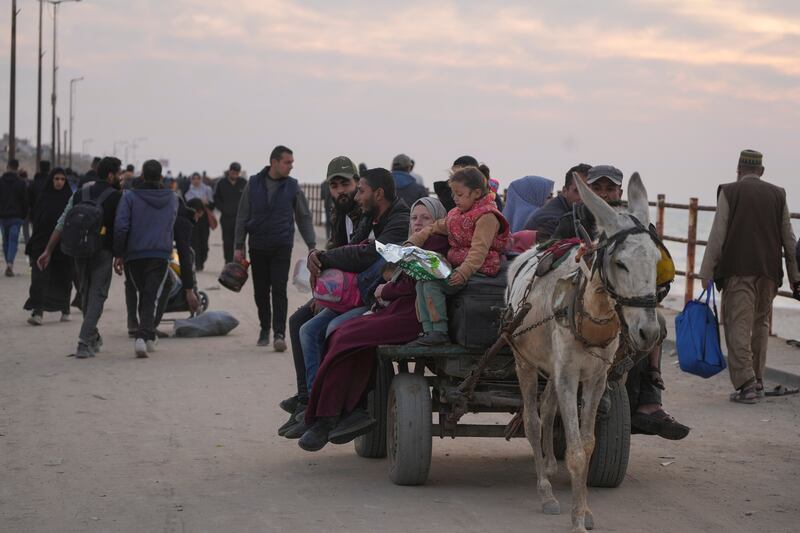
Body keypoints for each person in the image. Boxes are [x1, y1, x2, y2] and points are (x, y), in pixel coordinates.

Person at [551, 164, 690, 440]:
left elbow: (653, 267)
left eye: (610, 188)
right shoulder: (572, 220)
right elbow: (554, 257)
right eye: (597, 188)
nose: (604, 194)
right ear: (588, 191)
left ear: (620, 191)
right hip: (578, 305)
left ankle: (645, 398)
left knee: (656, 327)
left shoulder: (637, 226)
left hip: (626, 305)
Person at [298, 197, 449, 451]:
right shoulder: (415, 244)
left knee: (346, 336)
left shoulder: (435, 243)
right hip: (398, 309)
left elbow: (414, 283)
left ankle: (330, 416)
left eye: (425, 218)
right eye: (414, 218)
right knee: (343, 335)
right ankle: (339, 411)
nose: (418, 223)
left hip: (412, 314)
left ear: (437, 221)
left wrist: (385, 291)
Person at [282, 166, 411, 439]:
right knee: (304, 327)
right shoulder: (367, 215)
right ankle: (311, 404)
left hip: (375, 298)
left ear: (377, 193)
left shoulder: (399, 219)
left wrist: (325, 259)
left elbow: (364, 254)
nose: (354, 197)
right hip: (357, 294)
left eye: (358, 190)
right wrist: (321, 267)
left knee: (333, 331)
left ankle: (333, 410)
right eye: (335, 186)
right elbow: (350, 249)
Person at [699, 149, 800, 403]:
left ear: (738, 169)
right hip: (769, 273)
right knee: (760, 325)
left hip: (737, 271)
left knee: (738, 327)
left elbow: (717, 235)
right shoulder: (779, 194)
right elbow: (789, 239)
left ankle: (746, 385)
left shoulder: (729, 191)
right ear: (762, 171)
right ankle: (758, 379)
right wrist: (795, 277)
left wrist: (706, 271)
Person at [281, 156, 363, 436]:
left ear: (358, 183)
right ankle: (307, 398)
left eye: (346, 184)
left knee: (321, 329)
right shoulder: (341, 214)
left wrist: (325, 258)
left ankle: (320, 405)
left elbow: (358, 256)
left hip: (361, 294)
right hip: (343, 292)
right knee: (297, 322)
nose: (341, 190)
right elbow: (338, 254)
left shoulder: (362, 213)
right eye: (335, 185)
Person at [407, 166, 510, 346]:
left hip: (479, 269)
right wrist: (415, 240)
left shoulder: (487, 216)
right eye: (454, 194)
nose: (455, 199)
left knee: (431, 284)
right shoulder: (456, 214)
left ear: (476, 193)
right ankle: (427, 330)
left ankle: (439, 331)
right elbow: (433, 227)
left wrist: (463, 272)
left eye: (460, 194)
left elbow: (479, 251)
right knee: (422, 281)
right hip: (458, 266)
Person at [38, 157, 123, 359]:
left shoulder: (80, 192)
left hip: (77, 249)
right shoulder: (117, 197)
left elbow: (62, 222)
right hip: (103, 251)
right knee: (97, 295)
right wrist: (120, 255)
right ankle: (84, 342)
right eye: (119, 173)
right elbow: (121, 228)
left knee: (85, 293)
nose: (120, 177)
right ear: (110, 175)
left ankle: (92, 337)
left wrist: (48, 250)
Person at [234, 145, 316, 350]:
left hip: (282, 245)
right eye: (287, 163)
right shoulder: (253, 183)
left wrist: (312, 245)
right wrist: (238, 246)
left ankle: (279, 334)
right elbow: (243, 215)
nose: (291, 167)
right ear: (274, 162)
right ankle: (264, 328)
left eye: (292, 163)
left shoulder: (293, 186)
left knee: (279, 289)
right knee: (261, 291)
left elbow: (303, 217)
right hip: (258, 244)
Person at [113, 159, 179, 358]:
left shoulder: (129, 197)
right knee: (150, 295)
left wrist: (118, 253)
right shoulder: (172, 198)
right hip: (159, 253)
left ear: (142, 175)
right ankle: (145, 337)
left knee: (145, 293)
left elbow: (121, 226)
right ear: (161, 177)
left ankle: (145, 336)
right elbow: (171, 223)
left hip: (135, 254)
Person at [24, 167, 74, 325]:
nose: (59, 182)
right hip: (41, 242)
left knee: (64, 277)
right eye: (56, 179)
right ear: (51, 180)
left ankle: (65, 309)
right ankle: (38, 311)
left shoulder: (69, 198)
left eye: (62, 179)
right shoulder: (43, 197)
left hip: (63, 245)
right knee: (39, 277)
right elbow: (36, 220)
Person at [524, 163, 592, 241]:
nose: (584, 198)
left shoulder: (571, 212)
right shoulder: (556, 220)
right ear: (564, 191)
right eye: (578, 191)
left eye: (590, 192)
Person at [213, 162, 247, 264]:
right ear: (229, 171)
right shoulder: (221, 183)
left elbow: (249, 198)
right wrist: (223, 209)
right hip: (226, 218)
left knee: (240, 242)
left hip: (240, 219)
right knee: (227, 242)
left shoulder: (243, 183)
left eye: (237, 172)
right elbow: (216, 198)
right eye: (233, 171)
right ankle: (228, 262)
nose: (234, 174)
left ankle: (241, 263)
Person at [0, 159, 28, 277]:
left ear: (7, 167)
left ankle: (8, 262)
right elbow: (25, 202)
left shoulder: (0, 182)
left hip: (2, 217)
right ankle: (10, 264)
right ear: (17, 168)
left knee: (5, 241)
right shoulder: (21, 183)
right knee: (13, 240)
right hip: (16, 217)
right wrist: (23, 216)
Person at [184, 172, 215, 271]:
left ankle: (202, 260)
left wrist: (206, 203)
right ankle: (197, 264)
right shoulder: (188, 191)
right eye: (194, 179)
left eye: (198, 178)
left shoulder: (207, 189)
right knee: (194, 242)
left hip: (204, 219)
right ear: (191, 180)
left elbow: (212, 205)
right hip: (193, 219)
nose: (196, 180)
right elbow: (186, 205)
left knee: (204, 243)